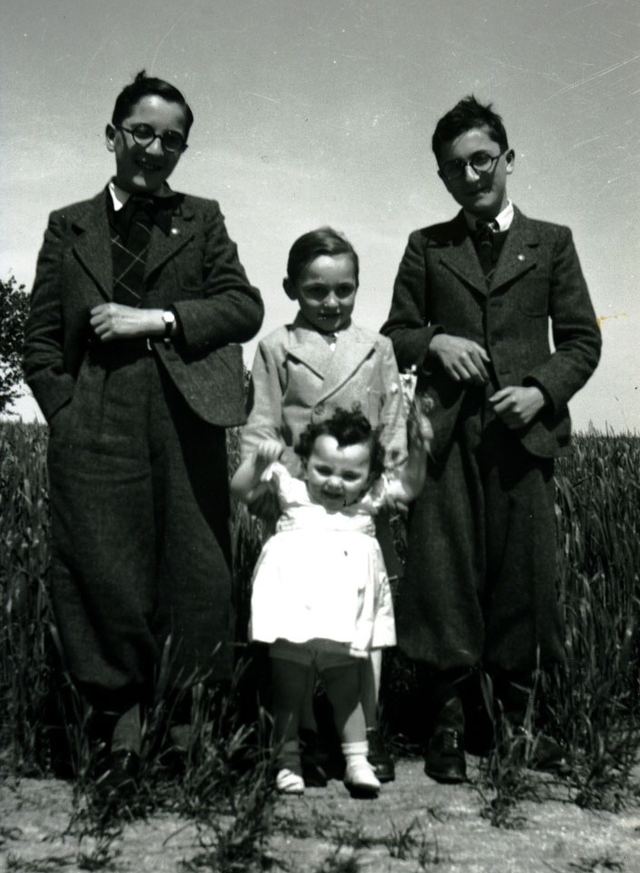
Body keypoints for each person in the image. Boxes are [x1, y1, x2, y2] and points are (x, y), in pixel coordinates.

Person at [23, 71, 264, 786]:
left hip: (186, 413)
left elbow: (244, 307)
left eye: (172, 140)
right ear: (112, 136)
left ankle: (186, 731)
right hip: (95, 415)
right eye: (142, 134)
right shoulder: (68, 225)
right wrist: (66, 413)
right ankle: (118, 733)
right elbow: (39, 340)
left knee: (196, 569)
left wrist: (159, 318)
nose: (155, 149)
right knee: (102, 566)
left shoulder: (201, 218)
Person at [381, 95, 601, 784]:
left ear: (508, 159)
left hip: (522, 439)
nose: (473, 174)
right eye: (456, 168)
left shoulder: (552, 242)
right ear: (443, 179)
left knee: (524, 578)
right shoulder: (428, 245)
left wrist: (540, 390)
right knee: (442, 576)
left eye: (483, 159)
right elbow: (397, 333)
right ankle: (446, 721)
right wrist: (436, 342)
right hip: (444, 439)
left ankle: (518, 721)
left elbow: (583, 340)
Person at [239, 227, 408, 784]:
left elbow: (392, 425)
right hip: (303, 504)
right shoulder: (275, 347)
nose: (331, 303)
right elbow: (261, 423)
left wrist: (388, 481)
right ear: (291, 288)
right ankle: (304, 734)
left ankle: (366, 735)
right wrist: (273, 485)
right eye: (316, 292)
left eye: (344, 290)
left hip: (357, 507)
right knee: (298, 628)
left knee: (363, 625)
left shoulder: (377, 348)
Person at [231, 406, 429, 796]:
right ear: (305, 462)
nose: (335, 483)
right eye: (323, 470)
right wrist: (257, 462)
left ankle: (356, 761)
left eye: (350, 475)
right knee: (288, 691)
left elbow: (409, 487)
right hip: (294, 613)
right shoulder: (291, 490)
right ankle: (287, 763)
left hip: (343, 617)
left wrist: (419, 451)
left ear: (369, 477)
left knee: (349, 692)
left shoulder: (368, 501)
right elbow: (239, 489)